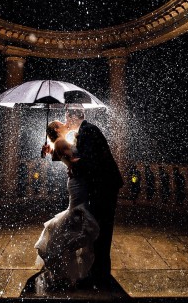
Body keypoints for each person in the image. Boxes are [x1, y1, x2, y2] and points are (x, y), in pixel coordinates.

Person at [42, 107, 123, 290]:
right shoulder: (83, 131)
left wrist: (69, 161)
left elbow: (88, 160)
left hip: (105, 187)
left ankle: (100, 275)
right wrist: (53, 150)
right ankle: (96, 273)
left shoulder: (89, 130)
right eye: (63, 119)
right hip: (98, 187)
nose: (65, 122)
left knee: (101, 230)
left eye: (66, 117)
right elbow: (73, 155)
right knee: (96, 228)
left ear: (73, 116)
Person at [34, 120, 100, 289]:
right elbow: (73, 161)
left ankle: (64, 255)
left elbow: (61, 156)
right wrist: (82, 159)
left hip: (75, 181)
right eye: (60, 123)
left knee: (75, 215)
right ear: (56, 129)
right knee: (76, 214)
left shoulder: (58, 142)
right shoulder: (61, 142)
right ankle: (64, 252)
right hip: (77, 182)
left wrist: (51, 151)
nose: (64, 123)